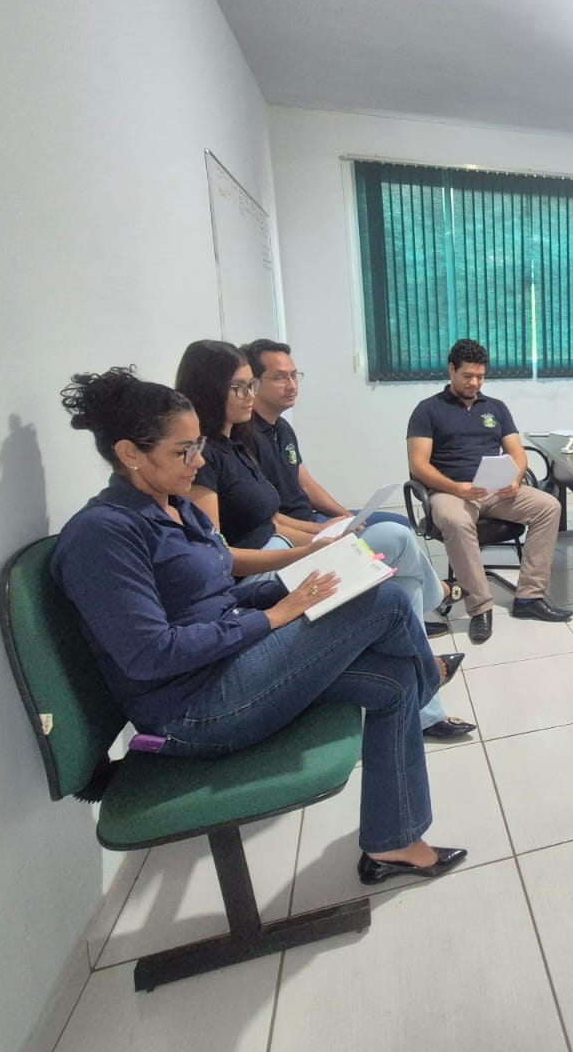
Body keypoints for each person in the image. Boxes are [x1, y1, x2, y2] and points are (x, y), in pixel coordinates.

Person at [51, 367, 464, 884]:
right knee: (383, 603)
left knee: (393, 680)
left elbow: (220, 593)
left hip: (233, 667)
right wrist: (273, 617)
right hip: (195, 710)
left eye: (198, 445)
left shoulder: (177, 508)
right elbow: (151, 654)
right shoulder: (102, 535)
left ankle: (395, 842)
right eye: (183, 451)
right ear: (130, 453)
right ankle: (432, 671)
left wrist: (297, 583)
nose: (198, 461)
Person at [178, 339, 474, 739]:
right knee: (397, 546)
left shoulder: (239, 443)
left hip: (287, 549)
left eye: (252, 385)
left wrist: (336, 525)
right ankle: (433, 617)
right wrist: (314, 546)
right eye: (242, 387)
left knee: (394, 552)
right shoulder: (205, 457)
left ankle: (424, 703)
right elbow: (220, 556)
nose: (250, 395)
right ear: (209, 389)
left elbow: (273, 515)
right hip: (261, 581)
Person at [407, 338, 571, 644]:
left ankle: (529, 598)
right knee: (456, 521)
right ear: (451, 369)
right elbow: (418, 464)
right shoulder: (428, 410)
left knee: (549, 506)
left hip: (495, 490)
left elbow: (516, 452)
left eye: (480, 376)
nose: (475, 382)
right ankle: (480, 607)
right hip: (450, 491)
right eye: (468, 376)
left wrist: (516, 477)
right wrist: (455, 486)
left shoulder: (495, 408)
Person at [239, 338, 412, 531]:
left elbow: (306, 485)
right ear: (252, 383)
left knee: (400, 522)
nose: (292, 386)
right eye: (280, 378)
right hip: (292, 530)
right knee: (394, 533)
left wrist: (345, 515)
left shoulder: (282, 427)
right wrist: (325, 530)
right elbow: (266, 515)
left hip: (311, 518)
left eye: (294, 376)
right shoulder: (243, 435)